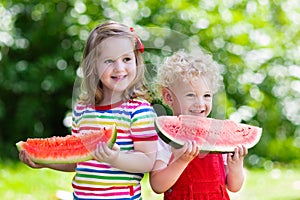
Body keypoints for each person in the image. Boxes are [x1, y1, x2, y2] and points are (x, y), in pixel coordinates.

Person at [19, 21, 158, 200]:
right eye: (109, 61)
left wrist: (115, 159)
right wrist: (45, 161)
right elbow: (76, 160)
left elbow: (147, 161)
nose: (119, 68)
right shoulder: (82, 110)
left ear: (137, 61)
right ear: (93, 66)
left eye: (127, 59)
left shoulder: (139, 111)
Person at [149, 50, 248, 199]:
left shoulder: (217, 133)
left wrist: (236, 166)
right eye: (191, 95)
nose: (200, 103)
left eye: (207, 95)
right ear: (169, 97)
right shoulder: (165, 137)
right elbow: (157, 185)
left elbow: (234, 186)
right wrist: (181, 161)